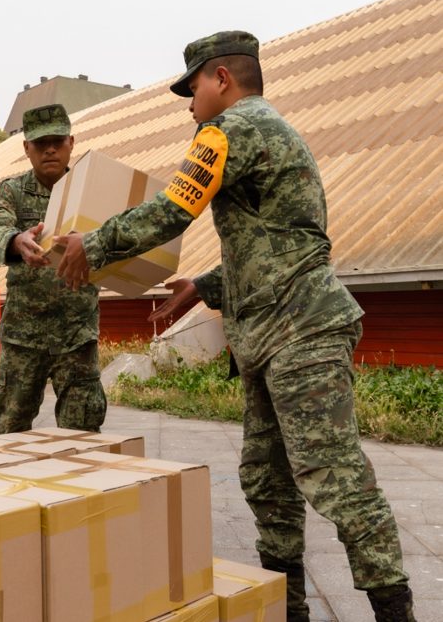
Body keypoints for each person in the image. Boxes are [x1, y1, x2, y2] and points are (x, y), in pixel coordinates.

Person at [54, 31, 414, 622]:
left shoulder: (228, 130)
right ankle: (287, 606)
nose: (188, 102)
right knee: (267, 479)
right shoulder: (271, 131)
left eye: (191, 87)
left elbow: (171, 210)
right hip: (274, 334)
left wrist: (92, 244)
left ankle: (395, 611)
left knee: (333, 474)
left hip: (300, 330)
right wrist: (207, 284)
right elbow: (280, 241)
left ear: (221, 78)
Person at [0, 104, 106, 434]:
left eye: (58, 141)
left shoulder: (92, 189)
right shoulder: (10, 192)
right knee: (12, 428)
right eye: (40, 142)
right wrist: (16, 240)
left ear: (71, 143)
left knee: (83, 431)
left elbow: (118, 233)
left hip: (77, 335)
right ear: (26, 148)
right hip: (25, 336)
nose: (50, 149)